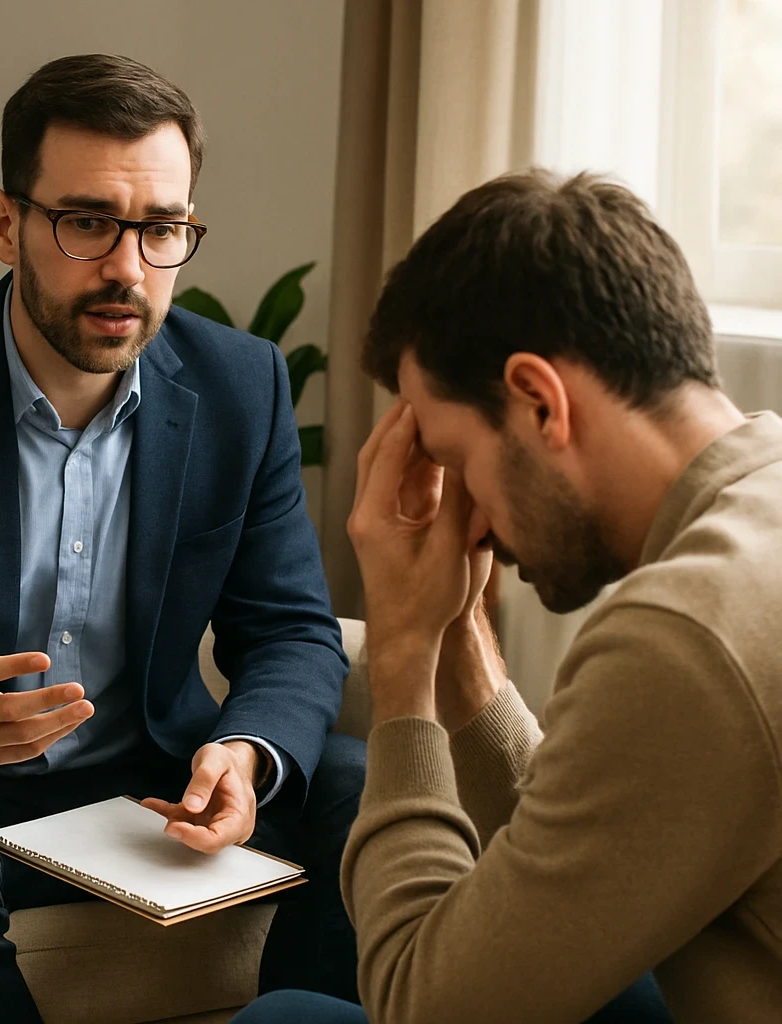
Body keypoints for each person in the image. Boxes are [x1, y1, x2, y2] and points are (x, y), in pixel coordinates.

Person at [0, 54, 365, 1024]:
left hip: (158, 780)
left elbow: (290, 627)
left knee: (357, 783)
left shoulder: (241, 386)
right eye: (86, 222)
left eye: (162, 229)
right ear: (7, 223)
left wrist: (241, 754)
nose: (127, 268)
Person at [234, 169, 782, 1024]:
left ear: (537, 400)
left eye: (457, 458)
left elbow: (426, 1003)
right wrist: (458, 638)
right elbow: (574, 858)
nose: (468, 513)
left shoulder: (686, 635)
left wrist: (406, 656)